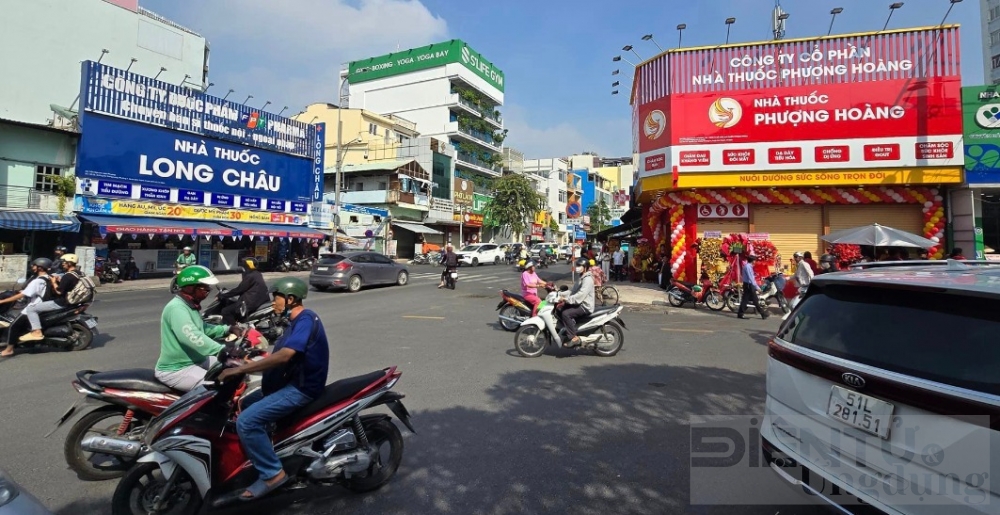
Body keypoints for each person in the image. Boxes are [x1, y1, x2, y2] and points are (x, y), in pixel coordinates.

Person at [218, 277, 329, 501]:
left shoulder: (306, 319)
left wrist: (239, 371)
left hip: (301, 388)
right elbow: (278, 355)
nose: (273, 303)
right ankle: (269, 449)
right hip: (287, 383)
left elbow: (286, 356)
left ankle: (273, 474)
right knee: (244, 403)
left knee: (247, 421)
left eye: (276, 297)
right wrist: (246, 362)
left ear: (290, 299)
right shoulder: (293, 323)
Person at [154, 266, 236, 391]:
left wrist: (228, 329)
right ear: (190, 287)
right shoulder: (177, 308)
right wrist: (221, 350)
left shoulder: (190, 306)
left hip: (196, 360)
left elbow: (202, 328)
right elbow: (192, 336)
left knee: (233, 368)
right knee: (219, 386)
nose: (208, 290)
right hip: (178, 369)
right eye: (204, 287)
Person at [20, 254, 84, 342]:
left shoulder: (68, 276)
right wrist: (59, 281)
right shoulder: (79, 273)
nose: (63, 264)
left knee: (31, 309)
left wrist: (54, 282)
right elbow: (71, 286)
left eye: (64, 263)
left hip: (61, 302)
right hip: (73, 302)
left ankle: (37, 332)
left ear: (69, 263)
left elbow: (59, 291)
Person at [0, 258, 52, 347]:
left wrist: (2, 301)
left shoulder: (37, 281)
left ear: (40, 268)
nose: (32, 267)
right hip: (41, 304)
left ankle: (9, 349)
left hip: (34, 306)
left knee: (14, 326)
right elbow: (31, 291)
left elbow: (22, 295)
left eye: (34, 266)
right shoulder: (48, 278)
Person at [219, 257, 269, 324]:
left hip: (250, 303)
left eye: (243, 265)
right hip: (259, 301)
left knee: (225, 311)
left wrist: (224, 295)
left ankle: (234, 329)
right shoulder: (257, 274)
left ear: (247, 266)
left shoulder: (250, 276)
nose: (242, 267)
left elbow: (239, 289)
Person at [558, 257, 595, 347]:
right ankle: (568, 329)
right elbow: (573, 291)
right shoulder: (581, 277)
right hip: (579, 302)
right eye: (577, 265)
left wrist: (567, 299)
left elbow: (580, 295)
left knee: (566, 314)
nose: (577, 267)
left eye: (579, 266)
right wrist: (560, 294)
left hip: (585, 305)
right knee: (560, 308)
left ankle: (574, 337)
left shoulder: (588, 279)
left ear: (585, 267)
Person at [737, 254, 769, 320]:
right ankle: (763, 314)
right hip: (749, 285)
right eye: (755, 260)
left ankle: (740, 313)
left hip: (747, 285)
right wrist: (757, 287)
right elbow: (751, 278)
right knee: (754, 300)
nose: (755, 262)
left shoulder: (748, 266)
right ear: (752, 261)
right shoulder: (748, 267)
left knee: (746, 300)